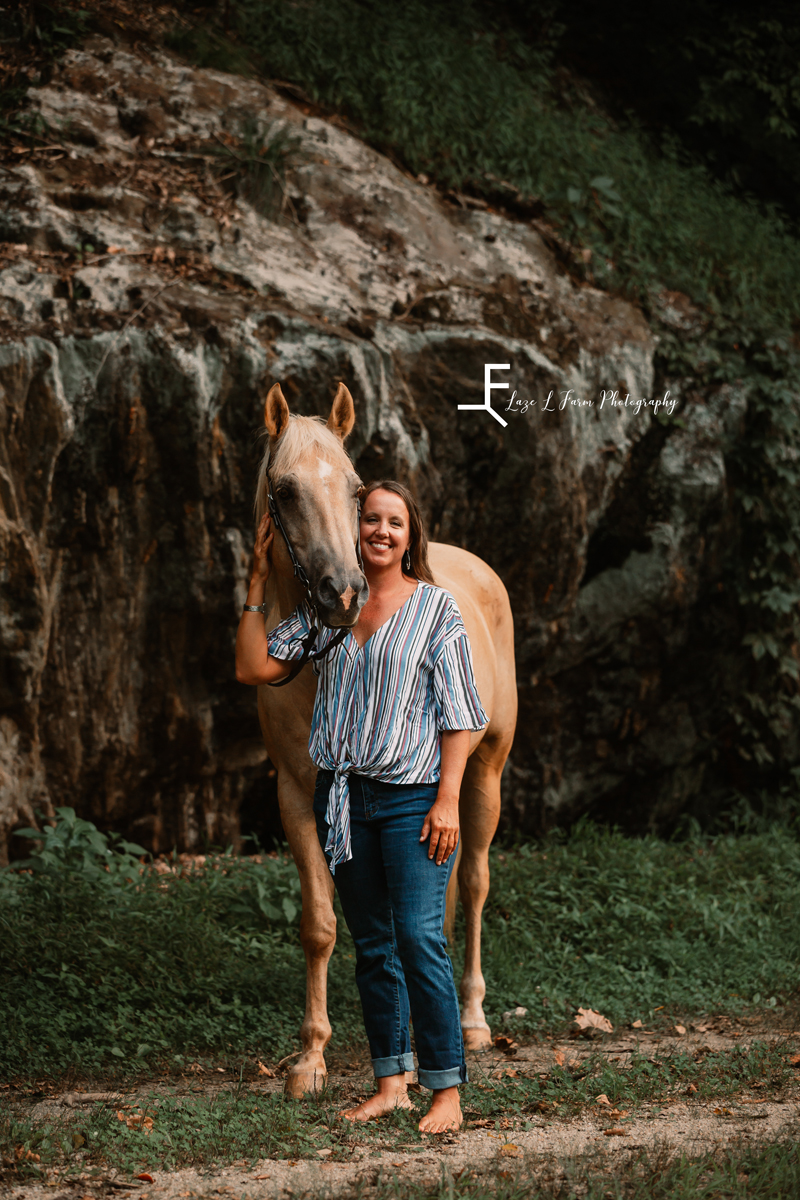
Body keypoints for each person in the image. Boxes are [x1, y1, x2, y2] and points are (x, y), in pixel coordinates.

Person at [235, 480, 487, 1133]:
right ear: (354, 531)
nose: (379, 530)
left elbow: (462, 717)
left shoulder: (436, 609)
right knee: (373, 945)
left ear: (410, 535)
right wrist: (258, 580)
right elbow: (254, 668)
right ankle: (389, 1084)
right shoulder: (329, 611)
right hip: (342, 800)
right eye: (369, 519)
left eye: (392, 522)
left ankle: (446, 1093)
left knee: (419, 937)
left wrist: (449, 800)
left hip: (413, 800)